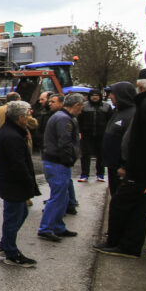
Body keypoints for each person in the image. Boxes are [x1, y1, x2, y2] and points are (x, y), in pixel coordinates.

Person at [94, 68, 146, 258]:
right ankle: (125, 244)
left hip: (142, 168)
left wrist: (127, 165)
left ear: (140, 86)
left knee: (124, 204)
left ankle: (125, 245)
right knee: (134, 206)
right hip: (142, 166)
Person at [0, 100, 42, 267]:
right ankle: (11, 252)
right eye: (27, 114)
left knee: (19, 214)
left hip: (12, 182)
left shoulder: (12, 131)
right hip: (13, 183)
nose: (29, 117)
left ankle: (5, 245)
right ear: (20, 117)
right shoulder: (11, 135)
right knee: (13, 217)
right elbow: (17, 164)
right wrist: (28, 181)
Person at [37, 92, 85, 241]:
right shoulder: (64, 119)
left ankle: (57, 226)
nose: (82, 110)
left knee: (62, 196)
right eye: (82, 106)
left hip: (56, 161)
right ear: (76, 105)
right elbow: (65, 142)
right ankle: (46, 228)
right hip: (57, 162)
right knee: (58, 196)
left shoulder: (62, 117)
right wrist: (68, 160)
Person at [101, 81, 137, 197]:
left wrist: (125, 166)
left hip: (122, 170)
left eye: (113, 93)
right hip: (113, 168)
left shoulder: (132, 114)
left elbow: (133, 143)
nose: (110, 96)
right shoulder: (118, 111)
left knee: (121, 200)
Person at [78, 89, 112, 182]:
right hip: (86, 134)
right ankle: (84, 174)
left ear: (100, 96)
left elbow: (110, 120)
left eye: (97, 95)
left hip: (101, 134)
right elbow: (79, 120)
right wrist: (79, 131)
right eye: (93, 95)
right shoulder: (84, 106)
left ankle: (100, 174)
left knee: (101, 155)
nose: (95, 97)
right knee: (85, 154)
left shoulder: (106, 106)